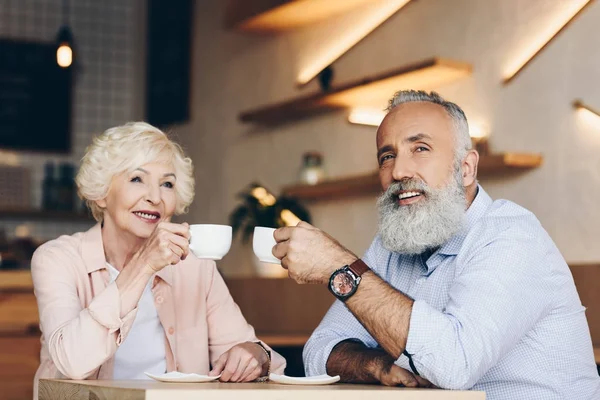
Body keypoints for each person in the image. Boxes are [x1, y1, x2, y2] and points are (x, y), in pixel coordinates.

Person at [272, 90, 600, 399]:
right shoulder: (389, 247)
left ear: (466, 168)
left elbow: (453, 365)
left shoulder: (511, 236)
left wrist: (338, 266)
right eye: (387, 156)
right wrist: (378, 365)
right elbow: (318, 350)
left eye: (421, 149)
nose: (399, 170)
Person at [31, 122, 285, 397]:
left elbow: (263, 358)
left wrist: (255, 356)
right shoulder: (57, 259)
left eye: (167, 184)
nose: (154, 197)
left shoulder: (196, 268)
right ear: (102, 193)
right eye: (137, 179)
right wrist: (143, 265)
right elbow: (72, 361)